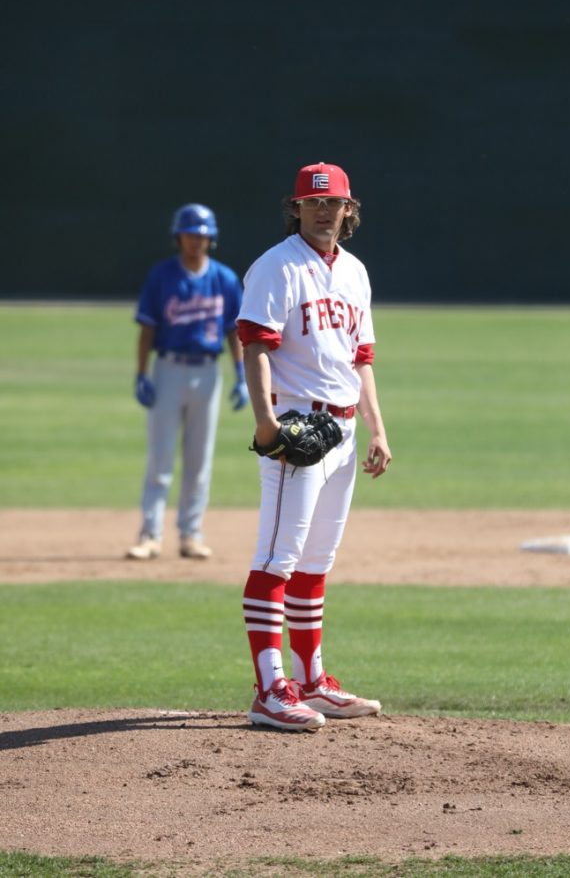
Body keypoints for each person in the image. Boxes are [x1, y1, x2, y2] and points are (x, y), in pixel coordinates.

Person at [237, 162, 392, 731]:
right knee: (276, 559)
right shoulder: (276, 267)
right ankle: (269, 688)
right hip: (297, 433)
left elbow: (362, 359)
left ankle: (311, 681)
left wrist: (377, 429)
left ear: (350, 210)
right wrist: (265, 425)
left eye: (333, 204)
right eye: (312, 203)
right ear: (295, 208)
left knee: (315, 563)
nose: (323, 211)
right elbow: (254, 344)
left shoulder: (354, 272)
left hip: (345, 433)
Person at [126, 203, 248, 561]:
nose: (197, 241)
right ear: (179, 237)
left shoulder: (224, 279)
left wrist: (241, 375)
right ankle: (150, 535)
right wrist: (141, 373)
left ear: (212, 239)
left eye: (203, 235)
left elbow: (234, 331)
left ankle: (191, 534)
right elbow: (147, 328)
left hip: (208, 371)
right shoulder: (162, 276)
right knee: (160, 458)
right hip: (169, 369)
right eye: (191, 234)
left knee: (199, 459)